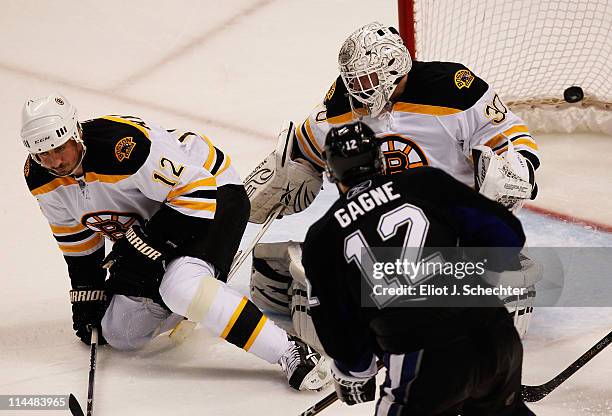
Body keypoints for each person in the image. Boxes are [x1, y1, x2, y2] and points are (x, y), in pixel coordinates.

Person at [245, 21, 541, 342]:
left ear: (393, 65)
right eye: (353, 80)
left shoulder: (452, 90)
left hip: (450, 232)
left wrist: (516, 169)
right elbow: (304, 146)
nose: (358, 88)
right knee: (279, 272)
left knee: (320, 290)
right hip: (381, 233)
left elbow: (506, 133)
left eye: (367, 79)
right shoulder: (343, 103)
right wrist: (286, 174)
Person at [20, 93, 330, 391]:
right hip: (157, 217)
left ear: (76, 133)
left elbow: (197, 194)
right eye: (42, 153)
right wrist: (88, 291)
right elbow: (75, 236)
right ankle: (200, 297)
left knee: (182, 288)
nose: (54, 160)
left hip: (214, 195)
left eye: (60, 147)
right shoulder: (40, 176)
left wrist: (143, 250)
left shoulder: (124, 148)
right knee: (120, 331)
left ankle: (288, 351)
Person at [302, 121, 535, 415]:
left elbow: (344, 335)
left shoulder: (323, 237)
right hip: (495, 333)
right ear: (381, 160)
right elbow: (508, 235)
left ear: (332, 172)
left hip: (426, 358)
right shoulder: (426, 183)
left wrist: (354, 370)